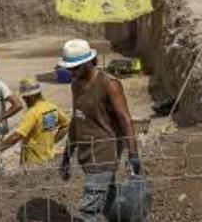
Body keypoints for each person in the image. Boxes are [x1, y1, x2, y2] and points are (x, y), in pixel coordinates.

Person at [57, 39, 141, 222]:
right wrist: (66, 155)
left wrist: (133, 155)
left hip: (105, 152)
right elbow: (76, 119)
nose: (72, 72)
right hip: (86, 153)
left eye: (75, 68)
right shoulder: (76, 85)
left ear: (88, 62)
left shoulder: (109, 84)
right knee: (109, 200)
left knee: (88, 211)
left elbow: (125, 119)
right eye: (69, 69)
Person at [0, 77, 70, 167]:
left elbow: (17, 136)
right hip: (49, 159)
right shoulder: (52, 107)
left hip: (32, 163)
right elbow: (66, 125)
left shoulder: (33, 113)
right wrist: (52, 141)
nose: (24, 100)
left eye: (25, 98)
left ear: (30, 97)